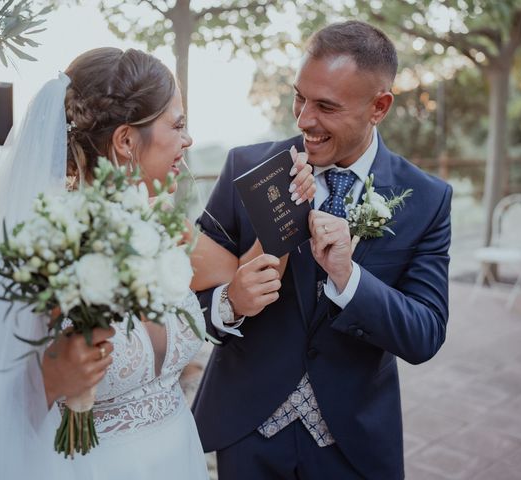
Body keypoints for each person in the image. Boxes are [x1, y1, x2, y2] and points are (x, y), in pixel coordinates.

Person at [0, 48, 314, 479]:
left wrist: (284, 203)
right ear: (127, 141)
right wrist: (52, 382)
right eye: (178, 125)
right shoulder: (41, 242)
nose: (187, 140)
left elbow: (242, 279)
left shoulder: (163, 226)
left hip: (176, 456)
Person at [192, 21, 453, 479]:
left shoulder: (427, 199)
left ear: (379, 106)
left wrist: (349, 279)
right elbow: (195, 303)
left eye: (326, 107)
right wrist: (231, 303)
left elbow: (424, 334)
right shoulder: (246, 169)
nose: (303, 120)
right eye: (300, 97)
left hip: (352, 444)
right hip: (245, 430)